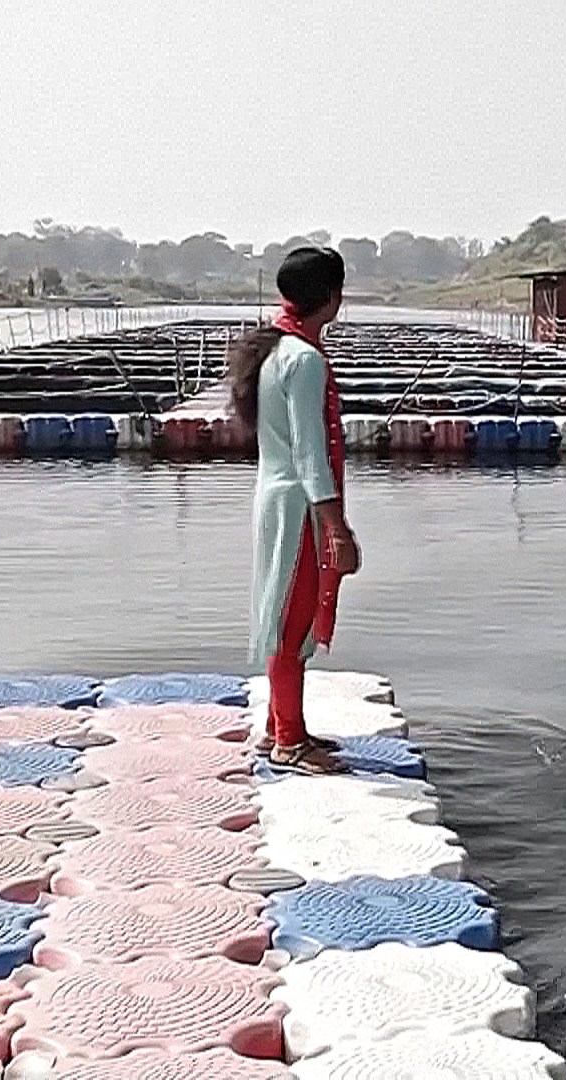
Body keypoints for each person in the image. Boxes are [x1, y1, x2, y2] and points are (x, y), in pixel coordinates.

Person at [229, 246, 358, 775]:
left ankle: (280, 725)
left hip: (275, 498)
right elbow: (310, 454)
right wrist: (337, 529)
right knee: (291, 621)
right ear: (330, 297)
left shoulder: (277, 349)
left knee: (283, 613)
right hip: (298, 506)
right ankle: (288, 742)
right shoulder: (303, 360)